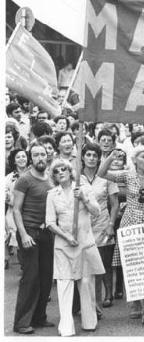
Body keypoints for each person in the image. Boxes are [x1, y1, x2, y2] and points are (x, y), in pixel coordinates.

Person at [98, 145, 144, 327]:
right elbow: (102, 173)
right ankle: (136, 302)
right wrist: (111, 156)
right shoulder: (127, 175)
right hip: (130, 221)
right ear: (135, 159)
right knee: (132, 264)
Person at [46, 159, 105, 336]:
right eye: (56, 171)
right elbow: (49, 222)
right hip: (63, 244)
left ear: (70, 171)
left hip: (84, 242)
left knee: (86, 283)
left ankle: (89, 322)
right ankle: (66, 327)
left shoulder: (83, 188)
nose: (60, 172)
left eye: (63, 169)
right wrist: (66, 236)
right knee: (64, 283)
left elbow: (96, 212)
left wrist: (84, 198)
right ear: (54, 176)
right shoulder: (52, 194)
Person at [12, 143, 54, 334]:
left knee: (45, 278)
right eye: (36, 155)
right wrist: (23, 234)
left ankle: (39, 317)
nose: (40, 158)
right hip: (29, 233)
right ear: (31, 158)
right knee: (30, 278)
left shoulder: (50, 179)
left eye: (43, 154)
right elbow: (16, 209)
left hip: (46, 233)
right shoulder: (24, 179)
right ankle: (21, 322)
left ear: (47, 156)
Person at [79, 143, 119, 313]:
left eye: (95, 155)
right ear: (82, 157)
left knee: (104, 262)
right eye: (88, 155)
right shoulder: (77, 177)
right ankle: (89, 301)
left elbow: (115, 204)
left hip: (103, 223)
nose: (91, 158)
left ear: (99, 158)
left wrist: (111, 224)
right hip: (84, 225)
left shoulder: (106, 178)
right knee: (87, 265)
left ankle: (108, 294)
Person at [5, 148, 29, 269]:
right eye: (18, 157)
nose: (21, 159)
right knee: (19, 240)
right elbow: (5, 195)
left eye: (23, 156)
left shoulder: (32, 174)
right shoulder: (9, 178)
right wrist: (11, 200)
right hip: (14, 212)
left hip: (30, 212)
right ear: (14, 161)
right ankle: (24, 266)